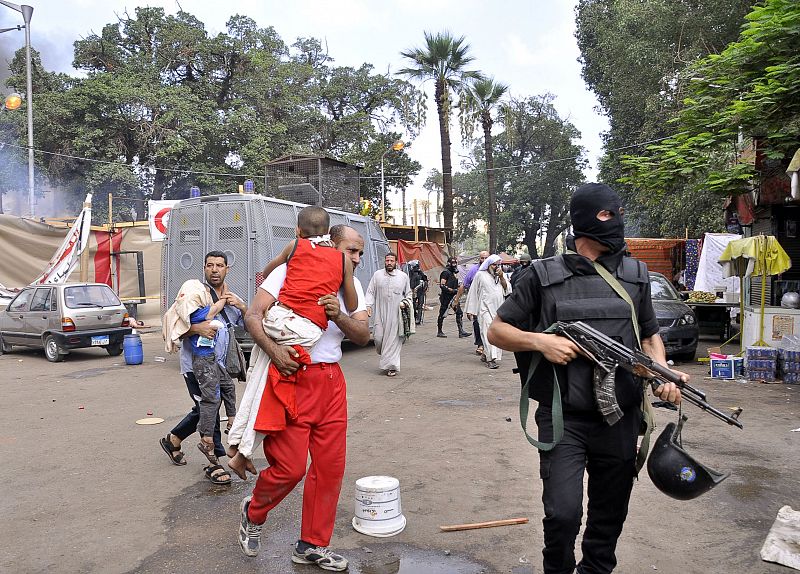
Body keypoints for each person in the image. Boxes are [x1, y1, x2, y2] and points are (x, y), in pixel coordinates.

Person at [487, 183, 685, 574]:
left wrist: (661, 372)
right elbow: (496, 331)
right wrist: (541, 341)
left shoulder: (636, 275)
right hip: (565, 420)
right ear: (584, 221)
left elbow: (649, 336)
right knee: (562, 515)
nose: (618, 221)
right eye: (609, 214)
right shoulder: (542, 276)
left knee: (609, 516)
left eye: (619, 212)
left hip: (620, 417)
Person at [237, 224, 370, 571]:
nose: (355, 259)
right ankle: (254, 512)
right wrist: (274, 350)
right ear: (329, 244)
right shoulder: (289, 268)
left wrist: (337, 313)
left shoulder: (352, 287)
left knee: (329, 469)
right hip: (292, 377)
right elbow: (252, 316)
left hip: (331, 384)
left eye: (359, 254)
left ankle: (312, 545)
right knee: (290, 469)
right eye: (350, 251)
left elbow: (363, 334)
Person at [226, 206, 358, 478]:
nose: (355, 257)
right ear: (332, 239)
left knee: (258, 386)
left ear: (298, 231)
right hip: (302, 334)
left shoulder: (293, 248)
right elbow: (353, 303)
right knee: (266, 396)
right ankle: (241, 451)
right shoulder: (340, 262)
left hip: (278, 320)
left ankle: (239, 448)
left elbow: (267, 269)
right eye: (353, 251)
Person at [159, 251, 247, 486]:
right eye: (210, 265)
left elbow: (248, 324)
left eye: (219, 265)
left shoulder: (230, 298)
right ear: (204, 269)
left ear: (227, 269)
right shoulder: (195, 294)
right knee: (209, 405)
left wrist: (243, 307)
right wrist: (197, 329)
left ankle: (173, 439)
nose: (215, 269)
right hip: (195, 366)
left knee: (205, 406)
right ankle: (214, 462)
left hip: (219, 365)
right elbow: (176, 327)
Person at [365, 252, 412, 377]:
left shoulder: (403, 276)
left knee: (393, 340)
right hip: (380, 313)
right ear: (384, 262)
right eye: (387, 261)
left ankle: (392, 366)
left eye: (391, 261)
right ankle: (386, 355)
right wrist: (368, 305)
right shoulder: (377, 275)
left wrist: (405, 303)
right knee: (378, 338)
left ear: (396, 262)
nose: (389, 263)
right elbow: (370, 291)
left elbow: (409, 294)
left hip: (396, 314)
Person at [465, 254, 511, 369]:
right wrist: (470, 310)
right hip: (484, 310)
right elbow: (473, 293)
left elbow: (507, 290)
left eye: (498, 265)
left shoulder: (501, 275)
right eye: (494, 265)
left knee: (496, 334)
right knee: (486, 333)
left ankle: (486, 354)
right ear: (489, 265)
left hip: (498, 310)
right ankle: (491, 359)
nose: (496, 267)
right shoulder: (480, 275)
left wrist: (501, 277)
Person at [452, 250, 489, 355]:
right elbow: (464, 285)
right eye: (482, 258)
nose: (484, 260)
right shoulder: (474, 270)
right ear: (479, 259)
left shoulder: (494, 270)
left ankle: (491, 345)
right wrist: (456, 300)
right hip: (477, 301)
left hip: (490, 302)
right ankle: (480, 344)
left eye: (486, 258)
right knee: (477, 323)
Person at [437, 256, 470, 338]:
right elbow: (442, 285)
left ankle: (461, 331)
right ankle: (439, 331)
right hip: (446, 297)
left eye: (456, 263)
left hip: (453, 297)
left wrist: (458, 290)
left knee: (459, 313)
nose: (455, 265)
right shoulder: (445, 273)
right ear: (449, 263)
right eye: (453, 263)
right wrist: (452, 290)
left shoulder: (453, 273)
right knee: (442, 314)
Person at [407, 260, 428, 325]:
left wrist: (424, 286)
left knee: (420, 305)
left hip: (421, 291)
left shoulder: (420, 272)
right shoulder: (410, 273)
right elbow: (410, 281)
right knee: (412, 305)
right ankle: (414, 317)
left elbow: (425, 280)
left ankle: (418, 319)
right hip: (413, 291)